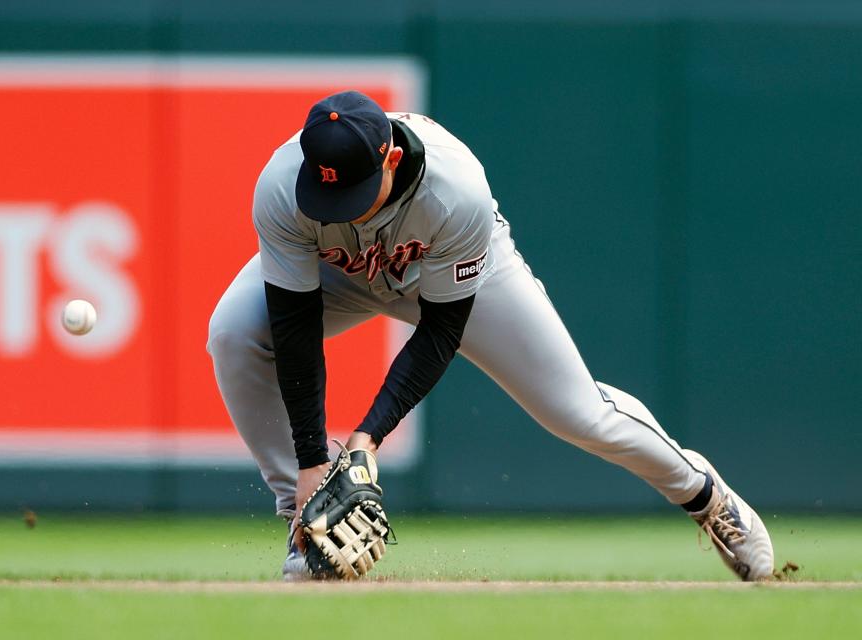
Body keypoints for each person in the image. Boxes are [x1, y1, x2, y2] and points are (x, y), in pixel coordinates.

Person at [207, 90, 774, 581]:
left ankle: (703, 494)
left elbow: (440, 332)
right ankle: (305, 519)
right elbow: (294, 326)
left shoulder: (456, 189)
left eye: (354, 194)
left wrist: (368, 437)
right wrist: (312, 463)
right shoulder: (283, 188)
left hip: (452, 267)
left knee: (576, 411)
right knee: (233, 333)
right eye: (329, 196)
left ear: (392, 158)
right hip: (342, 276)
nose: (342, 210)